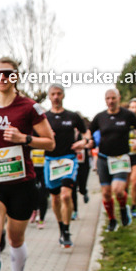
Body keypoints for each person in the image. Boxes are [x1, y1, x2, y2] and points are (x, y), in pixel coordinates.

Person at [0, 58, 55, 271]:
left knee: (15, 239)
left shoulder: (30, 107)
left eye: (7, 73)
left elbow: (50, 142)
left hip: (22, 182)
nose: (1, 78)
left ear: (15, 77)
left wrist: (24, 139)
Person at [45, 85, 91, 249]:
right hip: (50, 161)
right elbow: (34, 135)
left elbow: (86, 133)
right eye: (53, 94)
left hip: (68, 160)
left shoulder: (72, 116)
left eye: (59, 94)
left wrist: (83, 142)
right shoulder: (44, 117)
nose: (56, 97)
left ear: (63, 95)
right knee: (55, 198)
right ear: (49, 96)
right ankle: (61, 228)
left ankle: (66, 230)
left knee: (66, 195)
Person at [90, 88, 136, 231]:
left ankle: (124, 209)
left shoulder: (128, 115)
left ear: (119, 98)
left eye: (113, 98)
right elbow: (90, 131)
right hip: (103, 158)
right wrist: (88, 140)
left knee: (118, 190)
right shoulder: (100, 117)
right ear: (105, 100)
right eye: (108, 98)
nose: (110, 101)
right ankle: (112, 220)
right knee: (106, 193)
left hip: (121, 157)